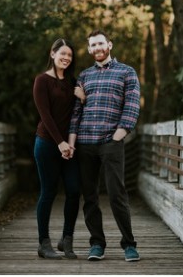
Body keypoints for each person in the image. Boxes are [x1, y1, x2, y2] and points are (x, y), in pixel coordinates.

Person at [68, 30, 141, 262]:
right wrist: (72, 139)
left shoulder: (126, 72)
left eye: (100, 43)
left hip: (111, 141)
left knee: (116, 193)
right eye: (93, 45)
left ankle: (129, 244)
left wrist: (119, 135)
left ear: (109, 44)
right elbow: (76, 112)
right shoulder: (84, 76)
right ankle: (97, 243)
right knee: (89, 197)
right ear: (89, 50)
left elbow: (131, 105)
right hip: (85, 142)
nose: (97, 48)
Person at [32, 38, 86, 259]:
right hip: (46, 144)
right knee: (48, 192)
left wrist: (82, 99)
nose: (66, 58)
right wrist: (59, 142)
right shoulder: (42, 81)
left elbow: (78, 114)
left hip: (70, 147)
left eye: (70, 55)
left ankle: (66, 240)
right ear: (53, 53)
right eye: (62, 53)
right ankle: (43, 244)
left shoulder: (73, 82)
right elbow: (46, 116)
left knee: (74, 190)